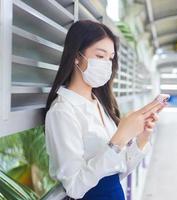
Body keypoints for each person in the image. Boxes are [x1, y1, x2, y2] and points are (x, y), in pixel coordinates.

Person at [43, 20, 167, 200]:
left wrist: (142, 137)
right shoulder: (62, 111)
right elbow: (75, 188)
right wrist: (119, 139)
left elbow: (118, 171)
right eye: (100, 56)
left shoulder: (100, 104)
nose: (107, 64)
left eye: (110, 58)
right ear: (77, 56)